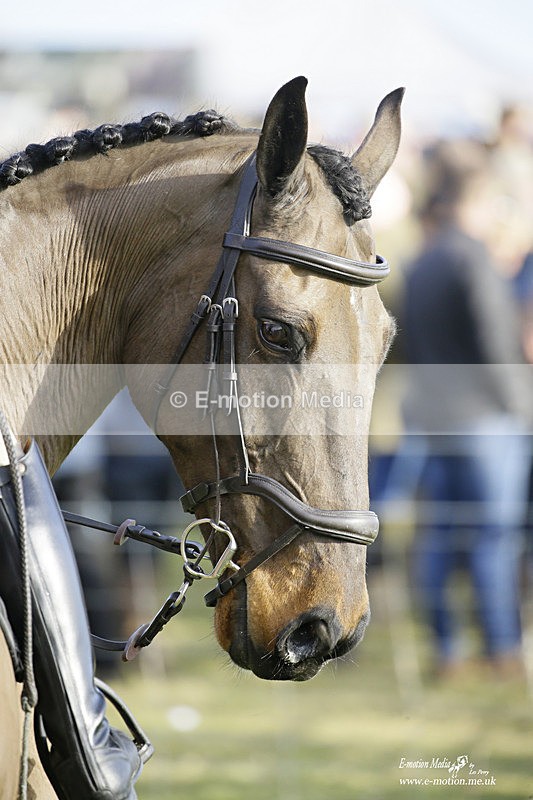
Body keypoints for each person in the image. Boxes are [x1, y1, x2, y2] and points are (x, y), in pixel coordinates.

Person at [401, 140, 532, 678]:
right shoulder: (472, 257)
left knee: (438, 539)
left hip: (435, 420)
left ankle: (446, 648)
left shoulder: (422, 260)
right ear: (476, 197)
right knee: (492, 540)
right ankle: (502, 649)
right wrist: (522, 410)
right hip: (486, 422)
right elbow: (495, 346)